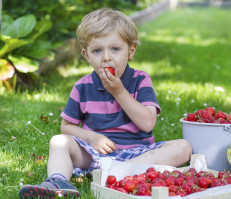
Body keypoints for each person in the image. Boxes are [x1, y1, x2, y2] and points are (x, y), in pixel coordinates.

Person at [19, 8, 192, 198]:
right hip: (96, 156)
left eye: (115, 49)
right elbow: (66, 127)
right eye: (97, 50)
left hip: (138, 155)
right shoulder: (82, 87)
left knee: (183, 147)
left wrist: (119, 91)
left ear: (131, 51)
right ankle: (58, 182)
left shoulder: (140, 80)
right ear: (86, 55)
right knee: (59, 141)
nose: (106, 57)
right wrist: (91, 138)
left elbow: (148, 123)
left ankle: (120, 172)